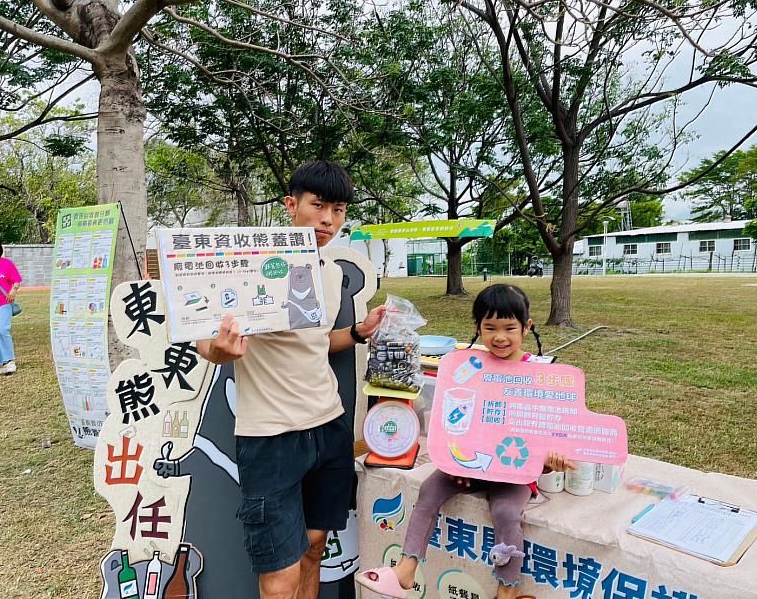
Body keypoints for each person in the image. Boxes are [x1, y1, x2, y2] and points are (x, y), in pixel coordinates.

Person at [196, 160, 386, 599]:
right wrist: (216, 351)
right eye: (318, 205)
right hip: (270, 438)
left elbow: (315, 342)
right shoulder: (248, 264)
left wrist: (358, 332)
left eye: (338, 210)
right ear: (291, 205)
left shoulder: (332, 273)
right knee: (279, 578)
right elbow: (205, 338)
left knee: (315, 548)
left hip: (328, 426)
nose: (328, 220)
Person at [356, 283, 576, 599]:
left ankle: (507, 589)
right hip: (467, 465)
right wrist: (454, 459)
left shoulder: (540, 375)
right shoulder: (468, 369)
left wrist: (549, 458)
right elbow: (453, 421)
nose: (500, 336)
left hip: (511, 471)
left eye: (509, 328)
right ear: (478, 328)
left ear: (526, 327)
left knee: (506, 512)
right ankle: (405, 570)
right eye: (490, 327)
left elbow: (551, 428)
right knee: (430, 489)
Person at [0, 236, 22, 376]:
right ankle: (2, 362)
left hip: (3, 303)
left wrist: (13, 291)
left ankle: (10, 361)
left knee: (1, 330)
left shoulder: (6, 264)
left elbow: (17, 281)